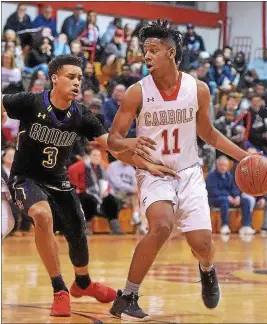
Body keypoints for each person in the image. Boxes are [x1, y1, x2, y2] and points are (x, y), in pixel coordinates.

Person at [1, 54, 177, 317]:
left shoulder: (81, 114)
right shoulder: (30, 101)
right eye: (70, 77)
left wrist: (146, 164)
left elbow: (113, 147)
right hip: (26, 177)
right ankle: (59, 289)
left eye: (79, 78)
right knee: (41, 214)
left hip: (58, 180)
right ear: (54, 78)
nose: (76, 83)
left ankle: (83, 283)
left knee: (78, 232)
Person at [107, 20, 255, 321]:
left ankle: (207, 270)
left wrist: (245, 157)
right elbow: (113, 141)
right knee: (161, 226)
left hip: (188, 172)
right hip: (154, 171)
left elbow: (209, 134)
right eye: (144, 50)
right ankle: (128, 295)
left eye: (153, 50)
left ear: (171, 53)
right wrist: (132, 142)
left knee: (202, 245)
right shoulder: (137, 93)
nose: (146, 56)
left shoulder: (198, 89)